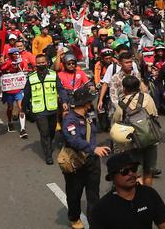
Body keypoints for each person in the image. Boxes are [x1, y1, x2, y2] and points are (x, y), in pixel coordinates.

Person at [59, 85, 110, 229]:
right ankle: (74, 217)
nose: (91, 104)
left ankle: (94, 222)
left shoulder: (88, 116)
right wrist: (94, 149)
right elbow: (74, 141)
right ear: (84, 103)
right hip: (76, 164)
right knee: (74, 194)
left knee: (93, 195)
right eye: (89, 102)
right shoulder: (70, 120)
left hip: (92, 162)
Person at [89, 151, 165, 229]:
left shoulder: (149, 194)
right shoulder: (102, 208)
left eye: (133, 169)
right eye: (124, 171)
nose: (130, 173)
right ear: (112, 177)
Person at [110, 75, 160, 186]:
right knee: (148, 172)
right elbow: (155, 114)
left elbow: (116, 123)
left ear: (124, 89)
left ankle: (138, 197)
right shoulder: (147, 98)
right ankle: (148, 194)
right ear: (138, 86)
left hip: (133, 144)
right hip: (151, 140)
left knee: (136, 174)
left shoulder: (122, 104)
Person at [27, 53, 61, 164]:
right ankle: (48, 155)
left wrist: (64, 101)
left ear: (46, 63)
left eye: (43, 62)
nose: (41, 64)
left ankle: (49, 144)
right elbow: (27, 94)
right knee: (44, 132)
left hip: (52, 109)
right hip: (39, 110)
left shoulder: (53, 75)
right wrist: (23, 109)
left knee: (51, 132)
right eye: (38, 63)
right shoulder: (31, 77)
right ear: (35, 64)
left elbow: (60, 89)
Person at [0, 47, 31, 140]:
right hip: (9, 90)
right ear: (11, 55)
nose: (17, 55)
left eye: (18, 53)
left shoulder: (21, 62)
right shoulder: (7, 62)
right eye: (15, 54)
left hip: (18, 89)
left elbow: (24, 70)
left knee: (21, 107)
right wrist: (10, 64)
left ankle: (23, 129)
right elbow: (2, 69)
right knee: (10, 107)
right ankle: (10, 121)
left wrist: (22, 68)